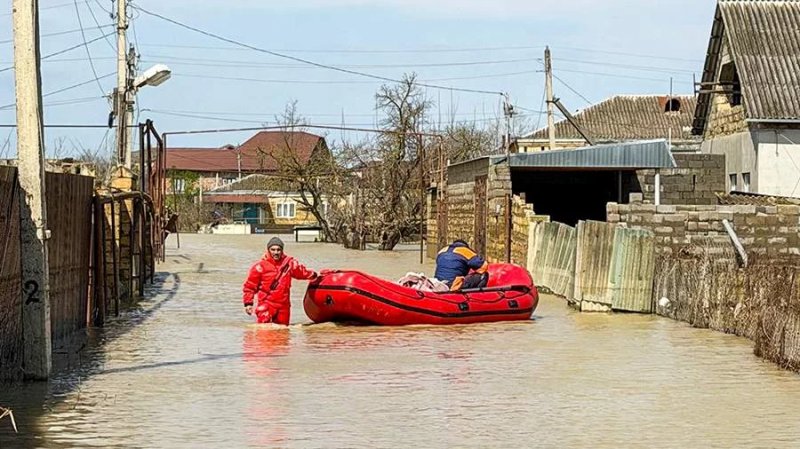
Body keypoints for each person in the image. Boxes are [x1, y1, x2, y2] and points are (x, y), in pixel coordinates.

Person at [243, 236, 317, 325]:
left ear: (282, 251)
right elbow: (249, 287)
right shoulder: (259, 267)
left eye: (278, 250)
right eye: (273, 250)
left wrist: (314, 275)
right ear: (268, 250)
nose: (276, 252)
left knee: (283, 334)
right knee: (264, 333)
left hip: (283, 306)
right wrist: (248, 304)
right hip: (267, 305)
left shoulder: (289, 264)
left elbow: (301, 273)